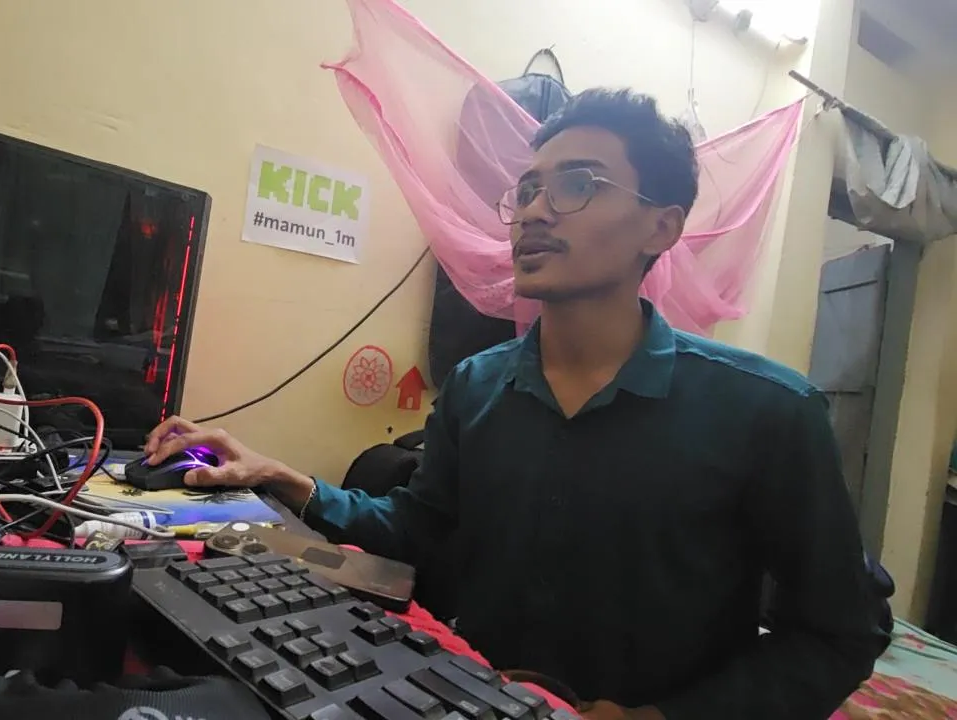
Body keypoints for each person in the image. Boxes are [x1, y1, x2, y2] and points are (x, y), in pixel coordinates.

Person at [143, 89, 885, 719]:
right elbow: (418, 532)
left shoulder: (768, 411)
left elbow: (838, 634)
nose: (534, 212)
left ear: (661, 226)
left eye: (578, 184)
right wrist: (281, 477)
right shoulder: (478, 385)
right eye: (527, 190)